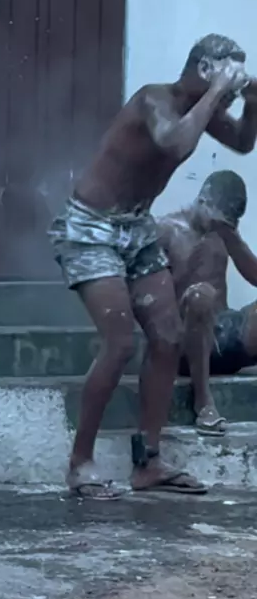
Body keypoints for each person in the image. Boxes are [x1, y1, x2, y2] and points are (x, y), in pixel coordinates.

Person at [49, 34, 257, 499]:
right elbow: (175, 143)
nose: (228, 90)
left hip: (136, 225)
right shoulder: (153, 100)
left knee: (167, 335)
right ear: (205, 69)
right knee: (121, 341)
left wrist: (253, 102)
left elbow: (243, 142)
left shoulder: (201, 109)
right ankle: (80, 463)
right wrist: (216, 94)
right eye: (224, 75)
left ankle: (149, 462)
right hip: (91, 225)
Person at [159, 169, 257, 436]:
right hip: (183, 339)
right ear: (203, 201)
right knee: (201, 296)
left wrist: (232, 237)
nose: (219, 227)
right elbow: (154, 299)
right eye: (218, 220)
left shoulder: (223, 232)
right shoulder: (167, 230)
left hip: (224, 334)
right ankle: (203, 401)